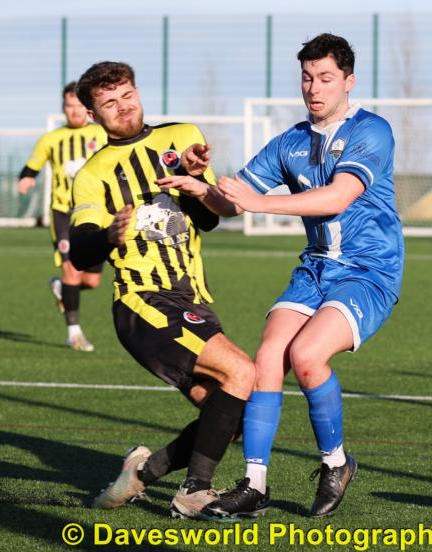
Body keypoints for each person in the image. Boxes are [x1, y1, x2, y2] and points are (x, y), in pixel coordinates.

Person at [159, 33, 404, 519]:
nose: (315, 88)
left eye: (326, 78)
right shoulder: (289, 142)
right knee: (268, 356)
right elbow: (232, 201)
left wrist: (258, 204)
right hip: (315, 269)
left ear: (349, 82)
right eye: (308, 78)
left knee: (307, 355)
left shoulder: (372, 132)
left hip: (368, 270)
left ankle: (336, 464)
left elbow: (336, 197)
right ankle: (255, 484)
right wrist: (198, 187)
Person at [68, 61, 256, 520]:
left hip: (191, 300)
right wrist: (109, 235)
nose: (122, 107)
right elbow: (80, 252)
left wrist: (195, 184)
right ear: (94, 115)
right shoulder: (93, 174)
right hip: (142, 303)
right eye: (109, 103)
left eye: (127, 94)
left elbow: (213, 217)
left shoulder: (180, 136)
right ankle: (195, 491)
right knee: (242, 372)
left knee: (231, 420)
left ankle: (143, 473)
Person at [17, 82, 107, 352]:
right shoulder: (51, 139)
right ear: (63, 108)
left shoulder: (102, 134)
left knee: (91, 280)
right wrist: (25, 179)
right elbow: (30, 167)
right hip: (63, 214)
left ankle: (61, 288)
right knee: (70, 269)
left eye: (79, 105)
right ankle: (74, 334)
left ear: (88, 107)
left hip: (96, 213)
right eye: (69, 106)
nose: (74, 111)